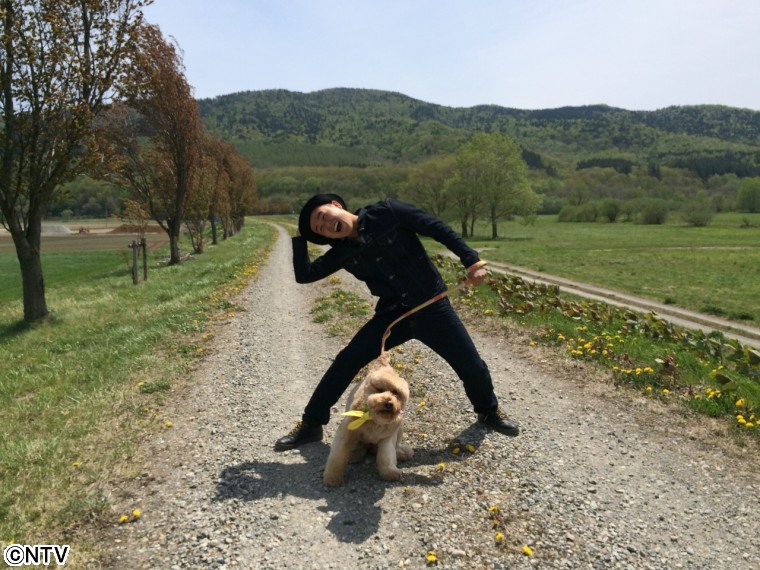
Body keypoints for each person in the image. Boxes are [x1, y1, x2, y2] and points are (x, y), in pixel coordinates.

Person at [274, 193, 519, 451]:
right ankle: (311, 424)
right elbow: (305, 274)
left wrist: (472, 261)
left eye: (323, 216)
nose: (325, 225)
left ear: (336, 205)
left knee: (471, 365)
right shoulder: (341, 252)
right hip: (393, 317)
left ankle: (488, 412)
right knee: (346, 361)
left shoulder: (388, 212)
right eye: (319, 228)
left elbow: (437, 228)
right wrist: (300, 237)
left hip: (432, 306)